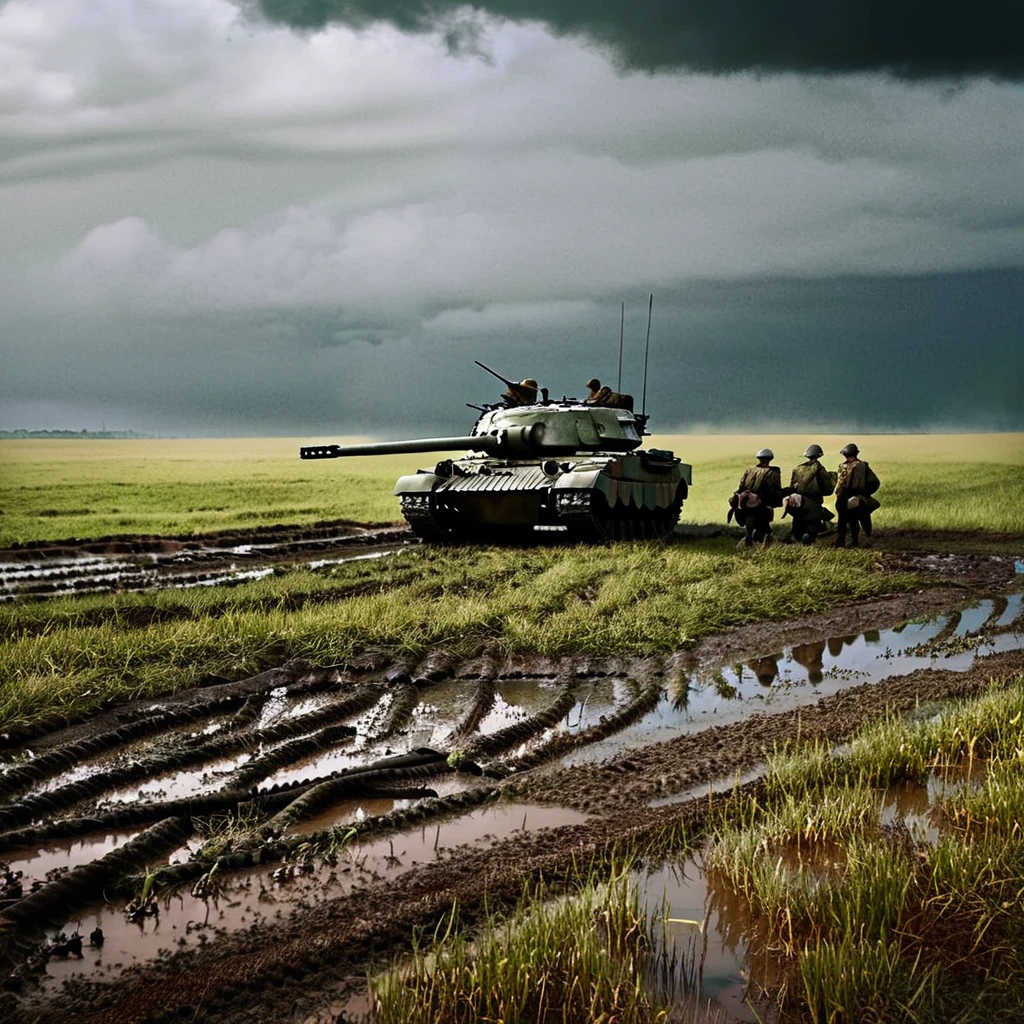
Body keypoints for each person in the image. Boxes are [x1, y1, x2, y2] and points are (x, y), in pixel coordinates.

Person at [782, 443, 835, 544]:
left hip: (800, 499)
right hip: (815, 500)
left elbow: (792, 486)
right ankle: (808, 536)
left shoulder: (798, 468)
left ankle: (795, 536)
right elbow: (827, 487)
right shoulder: (819, 468)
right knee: (813, 522)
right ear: (819, 455)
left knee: (798, 520)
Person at [729, 448, 783, 546]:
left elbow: (741, 487)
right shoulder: (773, 471)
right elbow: (774, 489)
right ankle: (762, 541)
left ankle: (751, 539)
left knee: (753, 525)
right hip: (762, 503)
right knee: (764, 524)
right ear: (770, 458)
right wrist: (778, 501)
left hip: (746, 503)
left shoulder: (749, 470)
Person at [833, 442, 881, 547]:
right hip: (859, 498)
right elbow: (875, 482)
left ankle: (842, 540)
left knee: (844, 520)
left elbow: (839, 484)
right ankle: (856, 541)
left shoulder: (842, 467)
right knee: (857, 519)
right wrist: (865, 493)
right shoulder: (863, 466)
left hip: (843, 498)